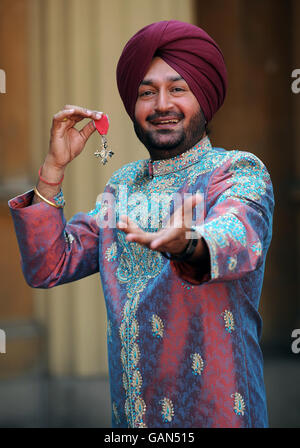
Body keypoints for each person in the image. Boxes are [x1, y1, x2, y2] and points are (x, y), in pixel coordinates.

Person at [8, 20, 274, 428]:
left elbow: (240, 234)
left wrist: (189, 243)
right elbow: (48, 265)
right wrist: (52, 170)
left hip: (219, 414)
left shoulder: (236, 171)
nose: (161, 104)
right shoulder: (123, 186)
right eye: (146, 92)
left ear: (205, 97)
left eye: (178, 88)